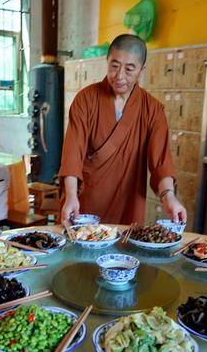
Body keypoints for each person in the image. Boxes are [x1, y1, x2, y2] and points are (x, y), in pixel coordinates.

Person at [59, 34, 187, 225]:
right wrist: (70, 195)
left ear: (142, 70)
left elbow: (161, 162)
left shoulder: (152, 110)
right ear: (107, 61)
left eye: (129, 69)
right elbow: (72, 153)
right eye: (114, 66)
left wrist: (169, 197)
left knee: (125, 249)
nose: (119, 76)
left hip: (128, 202)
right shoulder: (85, 100)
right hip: (85, 202)